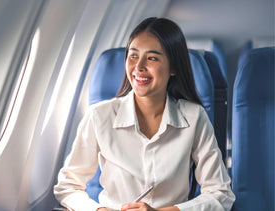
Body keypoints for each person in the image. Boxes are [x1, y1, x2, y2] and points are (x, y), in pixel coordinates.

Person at [54, 17, 235, 211]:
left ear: (173, 67)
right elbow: (67, 186)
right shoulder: (100, 115)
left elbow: (221, 193)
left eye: (152, 58)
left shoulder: (194, 117)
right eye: (133, 56)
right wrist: (98, 210)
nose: (138, 67)